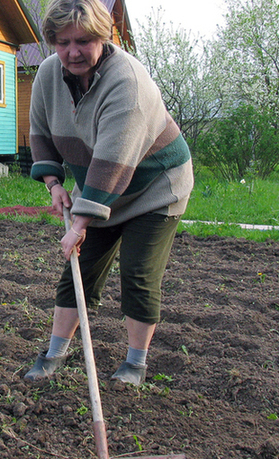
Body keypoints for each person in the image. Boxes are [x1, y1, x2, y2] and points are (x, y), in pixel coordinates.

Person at [23, 0, 194, 386]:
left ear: (103, 37)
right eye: (63, 42)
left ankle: (135, 364)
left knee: (137, 273)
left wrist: (79, 222)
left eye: (83, 40)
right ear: (52, 41)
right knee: (79, 271)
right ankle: (53, 354)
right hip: (99, 187)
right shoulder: (49, 75)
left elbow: (113, 164)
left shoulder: (127, 83)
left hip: (154, 187)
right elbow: (40, 134)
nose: (73, 51)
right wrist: (53, 184)